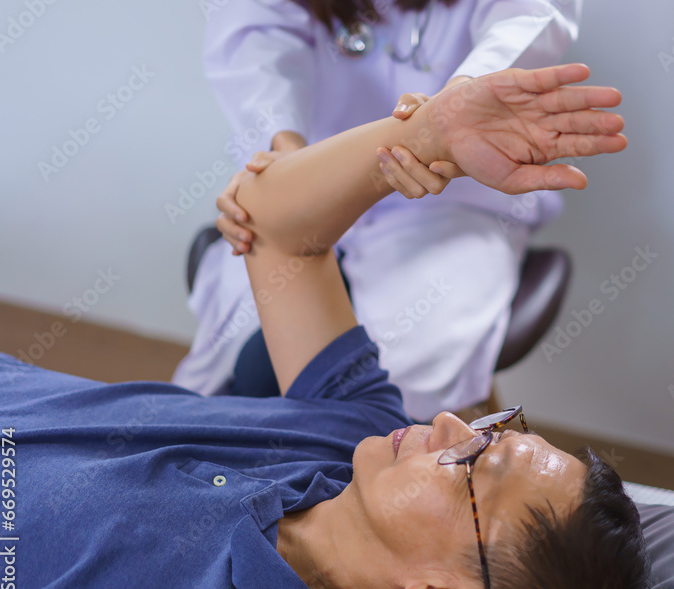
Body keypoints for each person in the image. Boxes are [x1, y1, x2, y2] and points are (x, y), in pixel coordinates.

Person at [0, 65, 647, 589]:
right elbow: (274, 228)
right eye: (494, 430)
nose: (450, 421)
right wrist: (427, 134)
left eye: (474, 463)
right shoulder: (346, 437)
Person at [175, 0, 583, 420]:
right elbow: (255, 39)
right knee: (239, 365)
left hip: (454, 203)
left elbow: (528, 17)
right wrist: (291, 170)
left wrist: (452, 114)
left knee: (401, 373)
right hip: (317, 175)